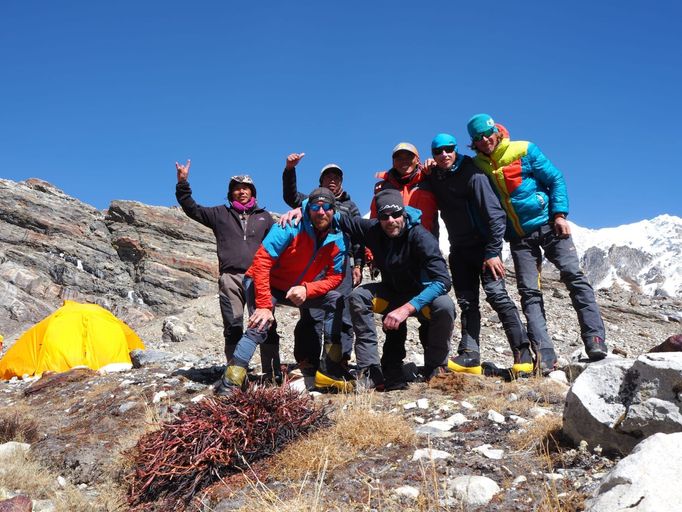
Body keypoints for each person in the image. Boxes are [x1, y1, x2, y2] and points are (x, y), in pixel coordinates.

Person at [467, 113, 607, 367]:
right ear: (473, 143)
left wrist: (560, 214)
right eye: (478, 138)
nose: (485, 140)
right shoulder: (478, 166)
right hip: (519, 239)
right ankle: (545, 356)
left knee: (573, 276)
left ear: (496, 132)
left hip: (549, 226)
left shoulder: (524, 149)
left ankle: (595, 338)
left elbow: (555, 178)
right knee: (529, 293)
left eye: (488, 134)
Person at [279, 189, 454, 390]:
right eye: (384, 216)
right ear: (377, 218)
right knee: (358, 296)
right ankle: (370, 370)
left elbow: (443, 281)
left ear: (403, 213)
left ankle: (436, 368)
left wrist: (406, 309)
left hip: (419, 297)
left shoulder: (420, 236)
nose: (391, 221)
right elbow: (333, 217)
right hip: (391, 293)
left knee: (445, 305)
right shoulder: (372, 230)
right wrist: (303, 210)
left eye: (396, 214)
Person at [215, 187, 351, 395]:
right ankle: (230, 383)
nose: (321, 212)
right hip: (264, 282)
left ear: (334, 210)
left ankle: (329, 369)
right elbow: (261, 262)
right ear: (309, 208)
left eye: (326, 207)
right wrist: (263, 305)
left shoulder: (338, 236)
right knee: (260, 323)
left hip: (295, 288)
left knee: (335, 299)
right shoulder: (290, 225)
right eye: (315, 206)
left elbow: (335, 277)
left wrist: (308, 289)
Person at [423, 133, 534, 377]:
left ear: (455, 150)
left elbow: (496, 215)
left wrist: (493, 252)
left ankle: (523, 352)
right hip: (459, 250)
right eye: (438, 151)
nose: (444, 155)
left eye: (448, 149)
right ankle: (470, 355)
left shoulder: (472, 173)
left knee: (496, 295)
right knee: (467, 303)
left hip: (484, 248)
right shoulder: (436, 177)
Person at [175, 160, 281, 380]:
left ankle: (272, 375)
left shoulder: (265, 217)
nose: (241, 191)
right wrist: (183, 183)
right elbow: (191, 208)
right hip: (230, 278)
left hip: (259, 278)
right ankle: (236, 375)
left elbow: (277, 246)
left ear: (252, 192)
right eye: (237, 188)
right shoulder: (219, 214)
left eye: (246, 188)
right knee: (233, 325)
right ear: (231, 193)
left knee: (265, 324)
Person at [282, 153, 364, 373]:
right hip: (315, 264)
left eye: (336, 177)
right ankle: (307, 360)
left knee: (343, 312)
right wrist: (290, 170)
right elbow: (290, 196)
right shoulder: (311, 202)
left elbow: (358, 237)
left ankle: (339, 360)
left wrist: (357, 265)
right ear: (321, 181)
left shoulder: (350, 206)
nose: (332, 180)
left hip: (342, 265)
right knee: (310, 314)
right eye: (328, 176)